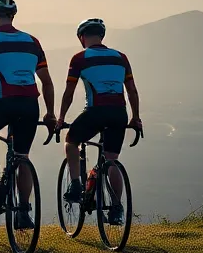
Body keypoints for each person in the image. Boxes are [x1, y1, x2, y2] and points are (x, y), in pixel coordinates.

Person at [0, 0, 56, 230]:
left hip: (5, 103)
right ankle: (24, 213)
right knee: (22, 158)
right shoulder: (32, 41)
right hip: (31, 105)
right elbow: (47, 83)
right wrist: (50, 114)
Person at [57, 17, 143, 224]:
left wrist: (60, 118)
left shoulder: (79, 58)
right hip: (119, 113)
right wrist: (136, 117)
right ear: (102, 36)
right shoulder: (121, 57)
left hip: (96, 112)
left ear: (81, 37)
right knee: (111, 160)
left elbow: (68, 93)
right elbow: (131, 90)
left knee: (71, 141)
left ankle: (76, 184)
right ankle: (116, 209)